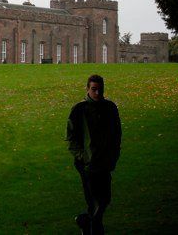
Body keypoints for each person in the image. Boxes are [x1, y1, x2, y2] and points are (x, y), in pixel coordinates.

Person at [66, 74, 122, 235]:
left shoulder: (110, 107)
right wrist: (82, 157)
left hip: (105, 162)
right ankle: (95, 229)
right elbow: (71, 137)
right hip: (87, 164)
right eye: (94, 89)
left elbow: (117, 134)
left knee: (105, 199)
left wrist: (114, 156)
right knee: (94, 201)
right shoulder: (79, 109)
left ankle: (85, 222)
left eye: (100, 89)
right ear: (88, 89)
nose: (97, 93)